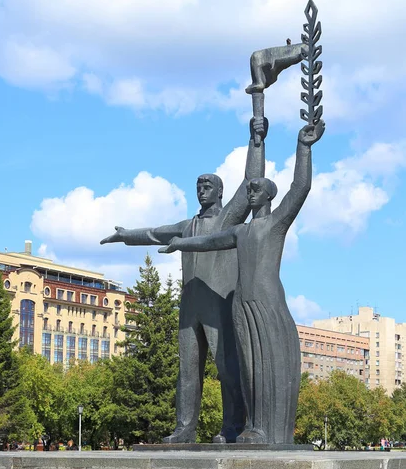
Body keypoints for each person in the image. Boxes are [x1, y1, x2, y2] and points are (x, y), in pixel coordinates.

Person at [100, 118, 267, 443]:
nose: (201, 190)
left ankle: (232, 428)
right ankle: (184, 429)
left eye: (207, 186)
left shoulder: (227, 219)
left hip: (220, 303)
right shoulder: (187, 225)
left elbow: (251, 181)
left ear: (219, 192)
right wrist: (124, 236)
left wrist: (255, 139)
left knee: (226, 369)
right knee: (187, 371)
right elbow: (152, 233)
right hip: (189, 308)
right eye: (198, 186)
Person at [160, 120, 325, 444]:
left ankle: (263, 428)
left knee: (264, 365)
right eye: (249, 188)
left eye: (255, 188)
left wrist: (302, 148)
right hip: (241, 306)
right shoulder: (240, 231)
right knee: (249, 367)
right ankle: (253, 426)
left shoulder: (276, 222)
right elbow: (207, 242)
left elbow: (300, 188)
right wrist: (179, 243)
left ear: (268, 195)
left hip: (265, 303)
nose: (250, 190)